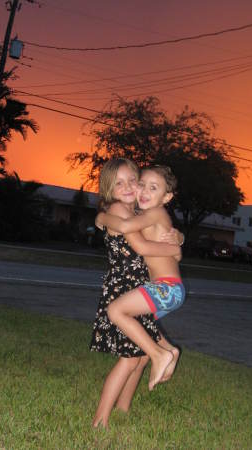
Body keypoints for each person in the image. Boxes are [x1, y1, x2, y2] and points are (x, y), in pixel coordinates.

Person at [90, 158, 183, 428]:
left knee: (133, 356)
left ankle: (161, 353)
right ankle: (161, 353)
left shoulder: (137, 213)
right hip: (127, 286)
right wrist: (103, 217)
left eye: (134, 180)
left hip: (140, 287)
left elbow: (155, 232)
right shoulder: (120, 209)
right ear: (109, 188)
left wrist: (178, 242)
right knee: (135, 357)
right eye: (120, 183)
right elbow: (141, 245)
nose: (131, 187)